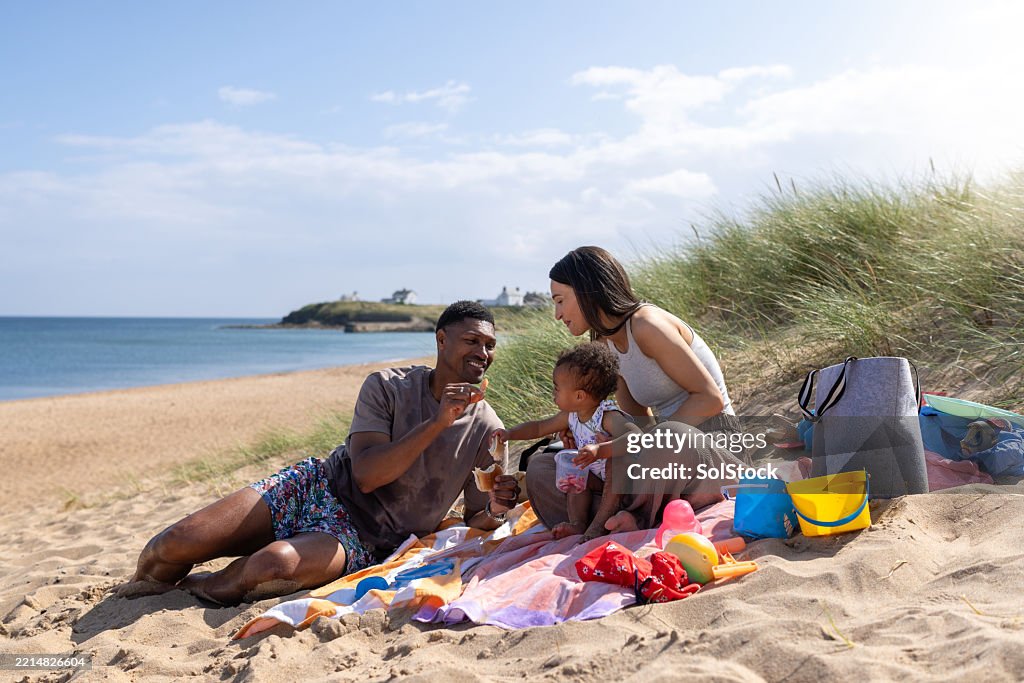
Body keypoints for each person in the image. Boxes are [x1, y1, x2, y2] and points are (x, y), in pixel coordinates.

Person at [118, 301, 520, 605]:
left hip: (365, 537)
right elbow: (366, 475)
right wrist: (437, 422)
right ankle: (138, 589)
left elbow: (476, 516)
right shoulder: (386, 385)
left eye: (490, 345)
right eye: (472, 341)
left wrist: (498, 507)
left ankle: (198, 585)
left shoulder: (488, 427)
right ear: (441, 340)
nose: (483, 353)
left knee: (271, 567)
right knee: (173, 544)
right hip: (317, 486)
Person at [526, 246, 744, 535]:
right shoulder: (606, 346)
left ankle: (634, 516)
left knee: (670, 438)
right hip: (661, 460)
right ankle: (624, 514)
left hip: (708, 447)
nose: (557, 314)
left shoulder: (647, 325)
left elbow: (709, 399)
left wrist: (651, 440)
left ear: (586, 291)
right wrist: (583, 429)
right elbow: (636, 423)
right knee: (543, 467)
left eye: (560, 301)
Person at [493, 343, 640, 542]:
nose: (553, 393)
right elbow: (538, 428)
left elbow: (636, 438)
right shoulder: (571, 416)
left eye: (557, 388)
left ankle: (598, 525)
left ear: (579, 396)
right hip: (598, 478)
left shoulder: (606, 416)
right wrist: (510, 433)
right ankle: (578, 523)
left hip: (628, 483)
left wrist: (601, 450)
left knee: (617, 462)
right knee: (574, 476)